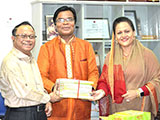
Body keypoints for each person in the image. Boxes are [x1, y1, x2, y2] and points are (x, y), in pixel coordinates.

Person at [91, 17, 160, 120]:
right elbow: (105, 80)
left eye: (127, 31)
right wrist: (102, 91)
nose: (123, 35)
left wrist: (138, 92)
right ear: (115, 36)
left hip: (140, 108)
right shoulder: (110, 57)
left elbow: (157, 80)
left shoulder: (147, 55)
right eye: (119, 33)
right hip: (117, 110)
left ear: (134, 32)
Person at [37, 6, 99, 120]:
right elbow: (41, 75)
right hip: (57, 104)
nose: (65, 23)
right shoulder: (46, 48)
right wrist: (55, 88)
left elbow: (93, 72)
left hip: (82, 104)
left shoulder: (86, 46)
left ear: (74, 23)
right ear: (55, 25)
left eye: (69, 19)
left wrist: (90, 88)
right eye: (60, 20)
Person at [0, 21, 60, 120]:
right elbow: (23, 92)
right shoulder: (11, 61)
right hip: (20, 115)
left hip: (38, 113)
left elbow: (38, 86)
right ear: (13, 38)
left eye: (31, 37)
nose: (28, 40)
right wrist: (49, 98)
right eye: (23, 36)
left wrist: (46, 101)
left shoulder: (30, 58)